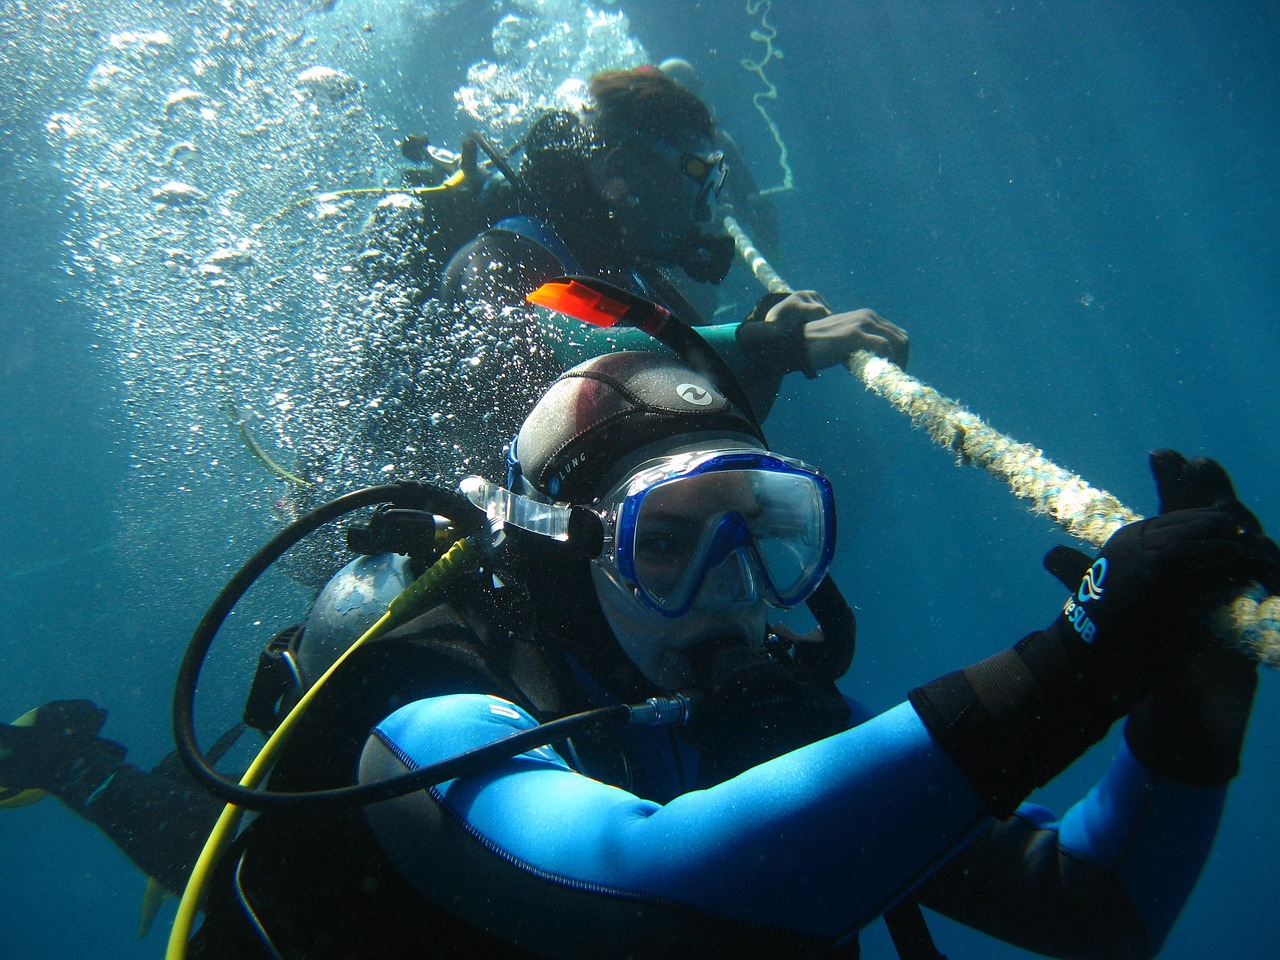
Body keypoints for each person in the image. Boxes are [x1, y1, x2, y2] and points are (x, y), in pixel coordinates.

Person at [3, 349, 1275, 959]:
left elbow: (1088, 911)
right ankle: (77, 764)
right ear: (566, 551)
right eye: (667, 545)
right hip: (348, 909)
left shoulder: (757, 710)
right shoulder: (429, 696)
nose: (733, 595)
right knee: (203, 849)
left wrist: (1185, 711)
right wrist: (1078, 659)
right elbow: (651, 891)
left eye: (765, 535)